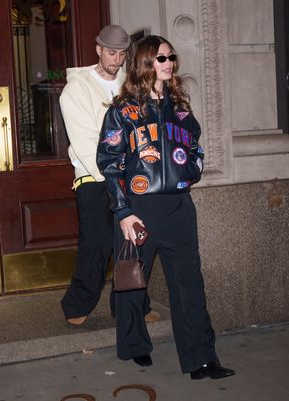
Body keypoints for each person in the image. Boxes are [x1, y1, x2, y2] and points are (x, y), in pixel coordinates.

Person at [97, 35, 235, 379]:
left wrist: (190, 171)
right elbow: (109, 163)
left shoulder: (181, 108)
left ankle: (202, 358)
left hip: (178, 208)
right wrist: (123, 212)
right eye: (162, 57)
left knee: (189, 283)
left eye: (171, 56)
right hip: (137, 209)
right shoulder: (123, 111)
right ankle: (134, 345)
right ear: (146, 63)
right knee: (132, 282)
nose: (169, 62)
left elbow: (195, 149)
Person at [59, 25, 160, 325]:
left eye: (121, 54)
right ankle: (76, 305)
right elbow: (85, 142)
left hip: (132, 178)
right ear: (98, 49)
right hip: (94, 178)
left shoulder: (131, 84)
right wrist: (115, 178)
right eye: (111, 52)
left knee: (132, 243)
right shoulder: (76, 89)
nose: (116, 60)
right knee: (98, 242)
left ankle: (132, 306)